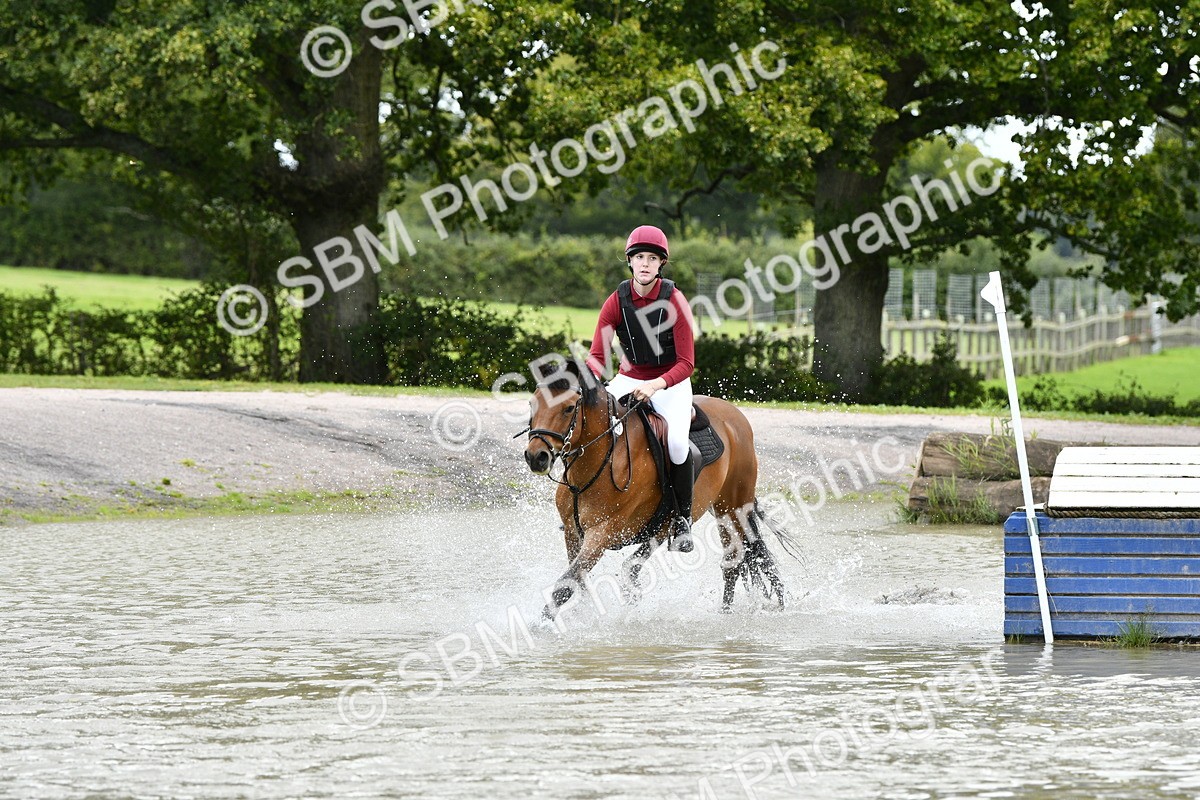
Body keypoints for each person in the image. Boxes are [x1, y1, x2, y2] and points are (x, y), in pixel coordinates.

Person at [586, 224, 698, 552]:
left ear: (661, 264)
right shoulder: (616, 300)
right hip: (628, 378)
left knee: (677, 444)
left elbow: (686, 363)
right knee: (594, 422)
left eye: (652, 258)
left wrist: (656, 385)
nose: (645, 263)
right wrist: (586, 377)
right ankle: (583, 502)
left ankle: (682, 520)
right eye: (639, 257)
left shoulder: (675, 300)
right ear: (630, 262)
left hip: (671, 383)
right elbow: (597, 356)